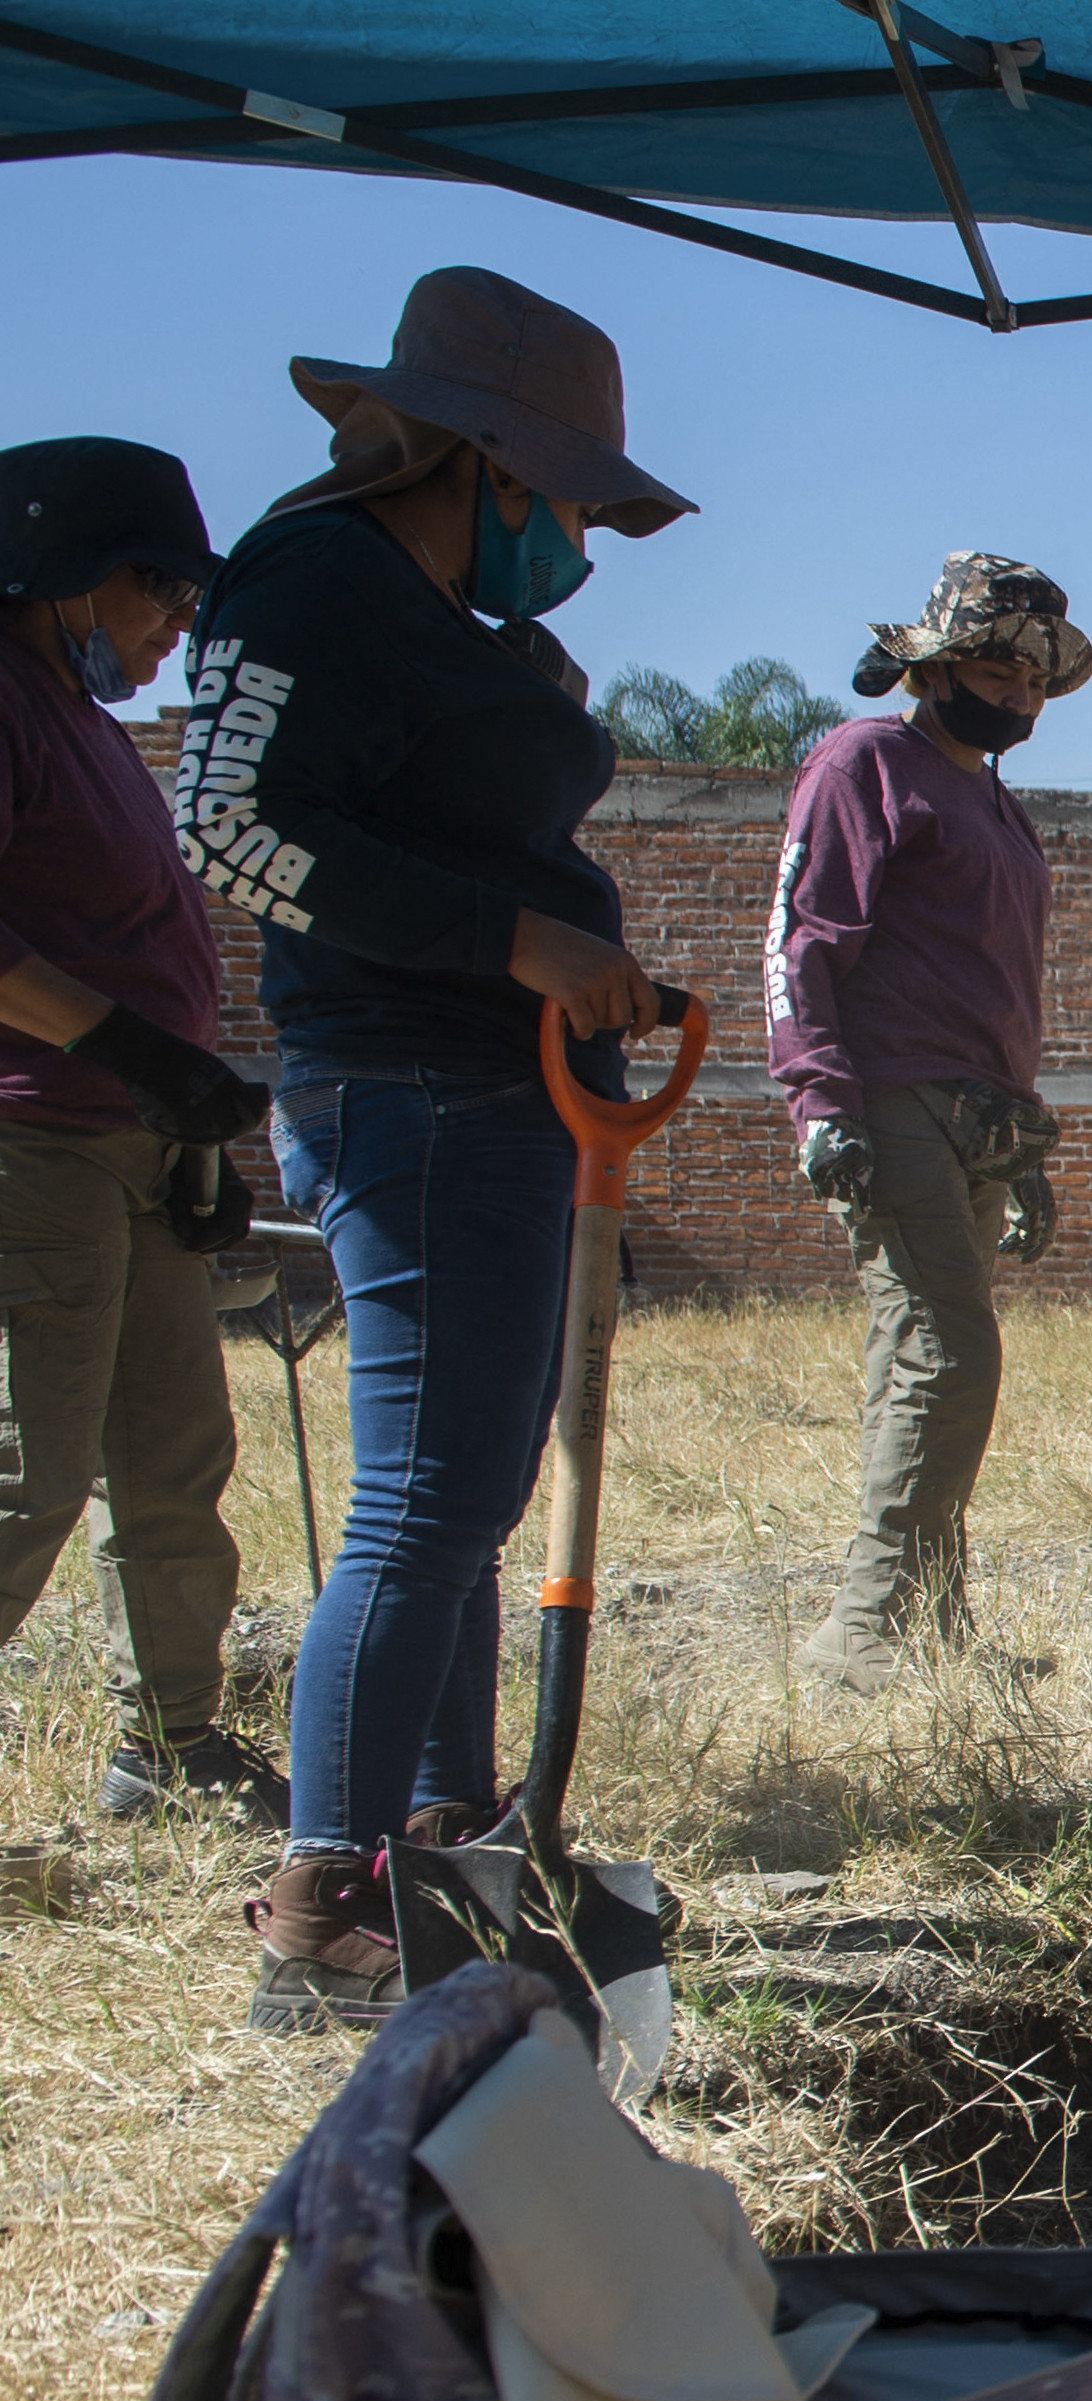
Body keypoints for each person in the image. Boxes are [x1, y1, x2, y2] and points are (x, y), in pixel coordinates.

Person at [177, 268, 693, 2032]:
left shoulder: (440, 621)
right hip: (414, 1089)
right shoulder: (314, 578)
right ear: (489, 458)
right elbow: (229, 824)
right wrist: (518, 940)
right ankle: (322, 1899)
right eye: (570, 505)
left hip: (500, 1089)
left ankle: (443, 1842)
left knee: (468, 1497)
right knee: (418, 1502)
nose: (577, 542)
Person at [0, 438, 280, 1827]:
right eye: (162, 591)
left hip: (136, 1146)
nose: (179, 625)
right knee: (28, 1474)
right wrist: (123, 1049)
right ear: (67, 573)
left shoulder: (89, 725)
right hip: (31, 1144)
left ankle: (170, 1745)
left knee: (171, 1461)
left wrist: (192, 1135)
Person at [767, 552, 1092, 1691]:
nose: (1019, 694)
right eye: (998, 668)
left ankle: (931, 1627)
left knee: (917, 1366)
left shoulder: (999, 805)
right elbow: (803, 937)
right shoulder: (864, 762)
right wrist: (818, 1099)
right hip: (893, 1097)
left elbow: (998, 985)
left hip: (982, 1118)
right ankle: (862, 1635)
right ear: (934, 665)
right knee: (947, 1353)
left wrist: (1025, 1142)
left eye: (1036, 679)